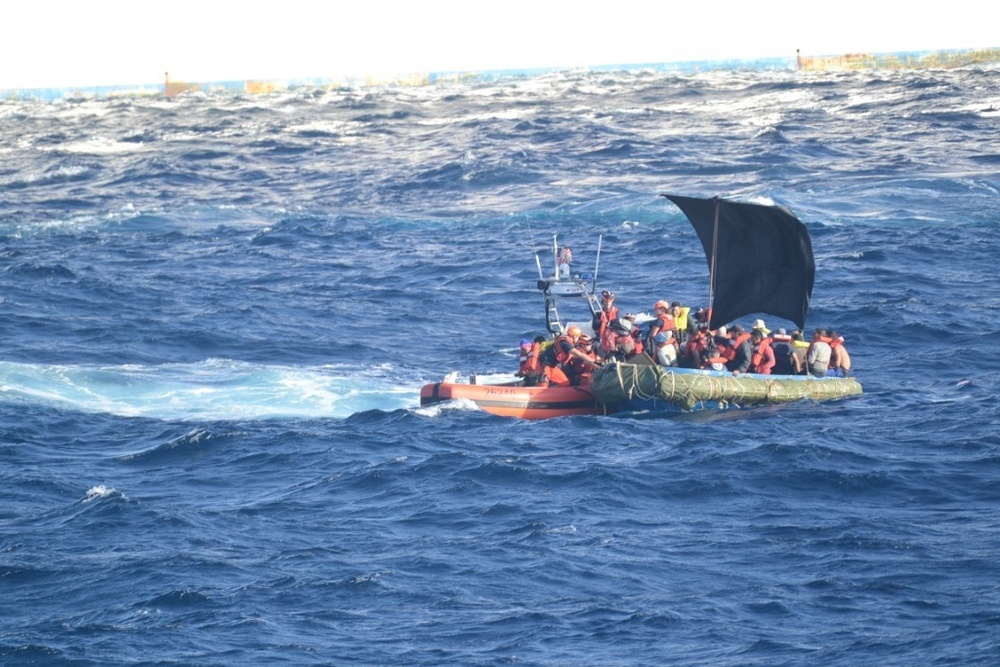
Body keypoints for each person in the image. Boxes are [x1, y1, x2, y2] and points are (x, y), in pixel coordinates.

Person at [594, 290, 620, 355]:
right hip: (601, 338)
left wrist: (612, 324)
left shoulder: (616, 311)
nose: (608, 303)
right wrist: (602, 323)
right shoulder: (599, 312)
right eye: (606, 301)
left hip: (614, 336)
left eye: (610, 302)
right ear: (603, 302)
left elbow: (619, 323)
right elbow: (594, 325)